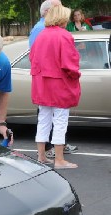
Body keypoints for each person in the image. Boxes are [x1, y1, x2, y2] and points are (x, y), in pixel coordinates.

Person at [30, 4, 80, 169]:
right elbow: (70, 64)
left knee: (43, 119)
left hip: (41, 84)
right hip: (59, 84)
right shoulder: (64, 36)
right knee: (60, 121)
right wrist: (76, 76)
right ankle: (59, 159)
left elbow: (32, 58)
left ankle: (41, 156)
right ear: (61, 18)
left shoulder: (41, 35)